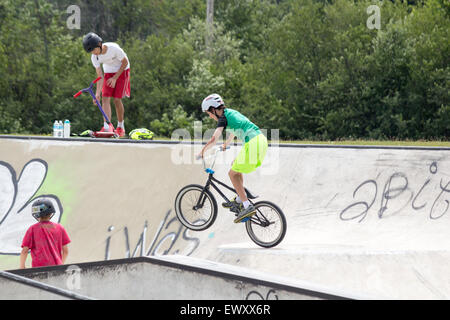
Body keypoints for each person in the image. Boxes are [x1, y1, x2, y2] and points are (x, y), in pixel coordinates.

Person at [197, 94, 268, 223]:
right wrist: (226, 144)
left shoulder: (223, 119)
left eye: (209, 113)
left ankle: (247, 205)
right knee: (235, 165)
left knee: (231, 173)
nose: (210, 116)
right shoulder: (230, 113)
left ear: (213, 109)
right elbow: (234, 131)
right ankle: (241, 198)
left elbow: (214, 139)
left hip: (253, 143)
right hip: (261, 141)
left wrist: (202, 151)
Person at [82, 32, 130, 137]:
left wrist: (115, 78)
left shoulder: (113, 49)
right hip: (108, 71)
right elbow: (100, 76)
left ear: (99, 44)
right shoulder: (94, 57)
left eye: (94, 50)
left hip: (122, 70)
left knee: (117, 99)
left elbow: (125, 62)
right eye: (91, 52)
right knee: (105, 97)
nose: (93, 53)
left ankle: (120, 126)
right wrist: (97, 94)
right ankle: (107, 126)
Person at [20, 199, 71, 269]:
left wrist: (22, 266)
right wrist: (60, 264)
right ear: (51, 213)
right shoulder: (60, 228)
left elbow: (24, 251)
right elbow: (66, 251)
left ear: (36, 214)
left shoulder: (32, 229)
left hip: (39, 269)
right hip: (57, 268)